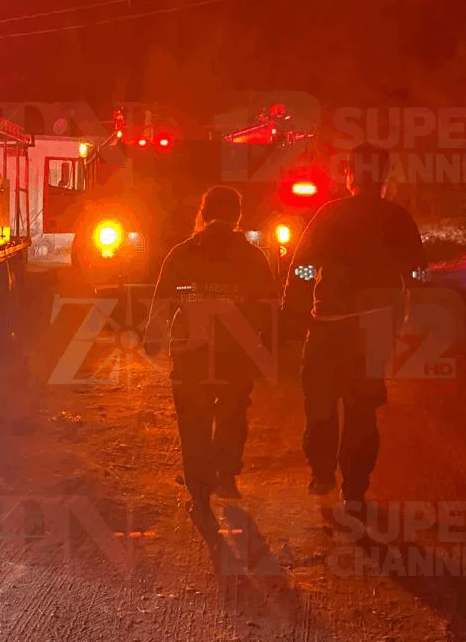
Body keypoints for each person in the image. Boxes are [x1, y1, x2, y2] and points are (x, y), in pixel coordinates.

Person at [282, 143, 427, 508]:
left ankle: (322, 474)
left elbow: (302, 266)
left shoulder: (329, 214)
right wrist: (411, 307)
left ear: (349, 175)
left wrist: (294, 310)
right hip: (374, 331)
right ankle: (355, 490)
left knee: (320, 405)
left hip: (327, 326)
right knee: (362, 411)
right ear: (383, 177)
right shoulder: (398, 218)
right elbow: (417, 271)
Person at [146, 185, 276, 513]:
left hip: (191, 355)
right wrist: (268, 349)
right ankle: (226, 472)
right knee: (232, 412)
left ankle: (200, 491)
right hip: (236, 353)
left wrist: (154, 339)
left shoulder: (182, 253)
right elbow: (270, 306)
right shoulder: (252, 257)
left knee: (193, 421)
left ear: (202, 214)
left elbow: (163, 300)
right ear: (238, 216)